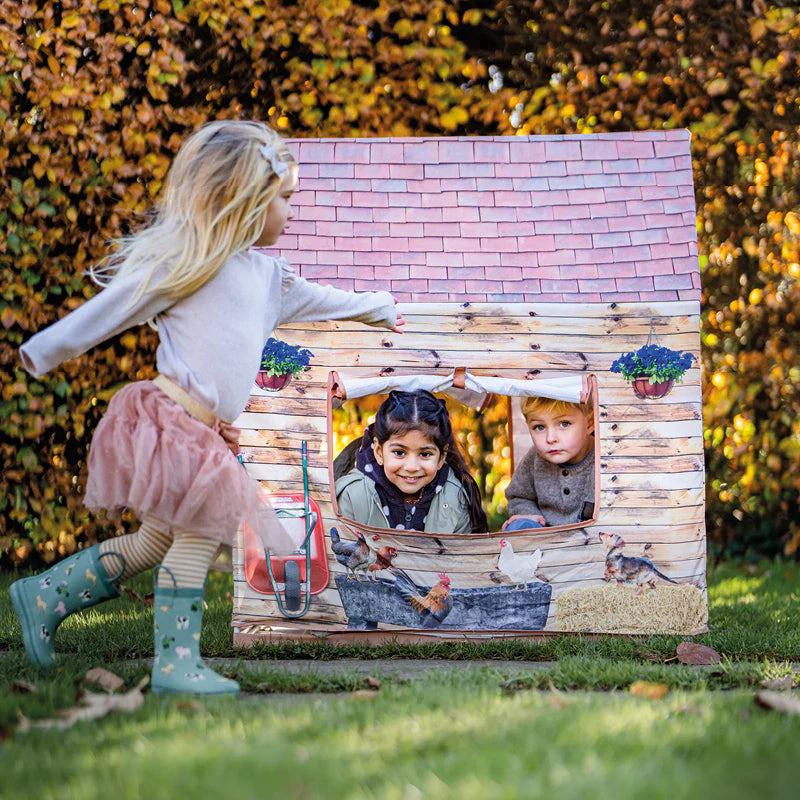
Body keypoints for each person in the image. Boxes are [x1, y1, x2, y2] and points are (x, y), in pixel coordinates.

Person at [11, 120, 404, 695]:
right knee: (195, 537)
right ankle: (175, 666)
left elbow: (328, 301)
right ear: (246, 195)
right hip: (171, 422)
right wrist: (42, 351)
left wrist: (379, 307)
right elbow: (111, 308)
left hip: (207, 431)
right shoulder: (187, 262)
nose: (292, 211)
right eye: (285, 198)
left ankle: (42, 596)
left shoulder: (270, 277)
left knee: (154, 544)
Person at [334, 390, 488, 534]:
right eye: (399, 453)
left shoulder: (454, 496)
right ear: (379, 452)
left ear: (441, 457)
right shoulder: (353, 495)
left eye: (425, 454)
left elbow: (464, 558)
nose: (412, 467)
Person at [502, 396, 595, 531]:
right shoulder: (534, 458)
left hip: (593, 540)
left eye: (564, 424)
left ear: (590, 423)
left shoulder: (604, 459)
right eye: (539, 427)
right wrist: (529, 515)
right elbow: (518, 496)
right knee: (517, 526)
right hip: (544, 539)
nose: (550, 438)